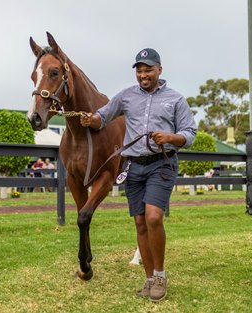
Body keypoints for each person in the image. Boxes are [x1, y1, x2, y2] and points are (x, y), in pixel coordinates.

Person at [80, 48, 197, 302]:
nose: (143, 75)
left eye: (148, 70)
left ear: (159, 70)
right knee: (140, 222)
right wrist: (91, 119)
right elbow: (103, 116)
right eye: (140, 71)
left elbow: (189, 133)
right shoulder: (125, 96)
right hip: (133, 166)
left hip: (162, 163)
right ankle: (148, 279)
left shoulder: (175, 99)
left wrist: (170, 137)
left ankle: (160, 276)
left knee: (154, 217)